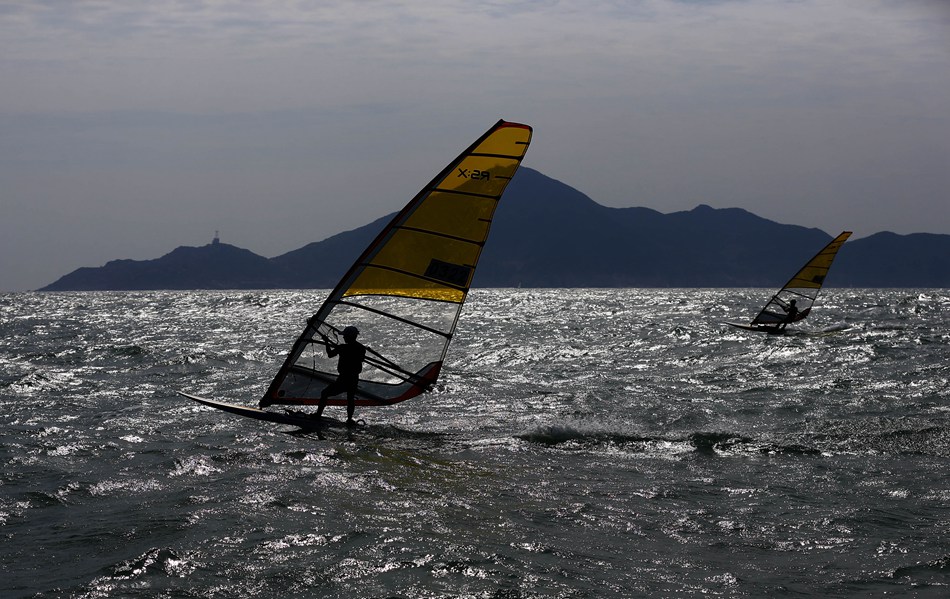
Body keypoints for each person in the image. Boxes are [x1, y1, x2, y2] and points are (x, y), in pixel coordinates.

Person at [316, 325, 366, 426]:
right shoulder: (361, 348)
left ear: (349, 337)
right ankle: (349, 419)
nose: (343, 338)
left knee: (324, 393)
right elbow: (360, 359)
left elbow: (330, 354)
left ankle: (318, 415)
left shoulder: (343, 348)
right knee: (350, 399)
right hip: (354, 378)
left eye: (345, 336)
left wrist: (326, 342)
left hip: (344, 378)